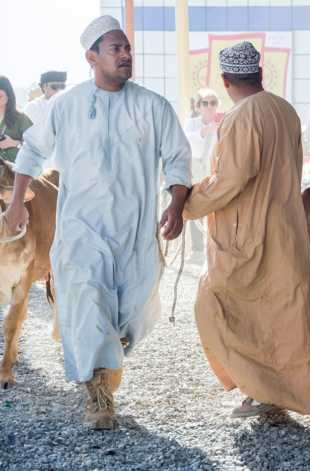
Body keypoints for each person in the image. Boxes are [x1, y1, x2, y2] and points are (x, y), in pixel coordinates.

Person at [5, 16, 192, 430]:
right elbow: (32, 153)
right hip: (81, 228)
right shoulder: (66, 105)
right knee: (87, 298)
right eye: (116, 49)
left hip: (136, 229)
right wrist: (17, 203)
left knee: (134, 314)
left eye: (127, 48)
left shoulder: (152, 106)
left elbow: (178, 158)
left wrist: (176, 204)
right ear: (92, 57)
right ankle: (98, 395)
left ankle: (106, 361)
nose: (126, 55)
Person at [182, 41, 310, 418]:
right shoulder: (285, 109)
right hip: (286, 230)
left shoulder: (241, 116)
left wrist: (185, 205)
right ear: (261, 74)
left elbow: (229, 181)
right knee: (282, 314)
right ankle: (280, 393)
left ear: (225, 80)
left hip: (251, 235)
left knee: (215, 305)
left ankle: (262, 393)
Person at [183, 88, 220, 263]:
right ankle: (197, 251)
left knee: (216, 210)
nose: (209, 106)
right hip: (196, 171)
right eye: (205, 103)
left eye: (213, 103)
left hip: (214, 172)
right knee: (194, 208)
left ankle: (213, 249)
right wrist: (205, 131)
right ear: (198, 107)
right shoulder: (192, 123)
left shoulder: (223, 126)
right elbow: (185, 140)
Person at [0, 76, 33, 163]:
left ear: (9, 96)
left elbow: (36, 145)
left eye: (0, 96)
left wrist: (15, 143)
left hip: (16, 172)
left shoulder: (20, 117)